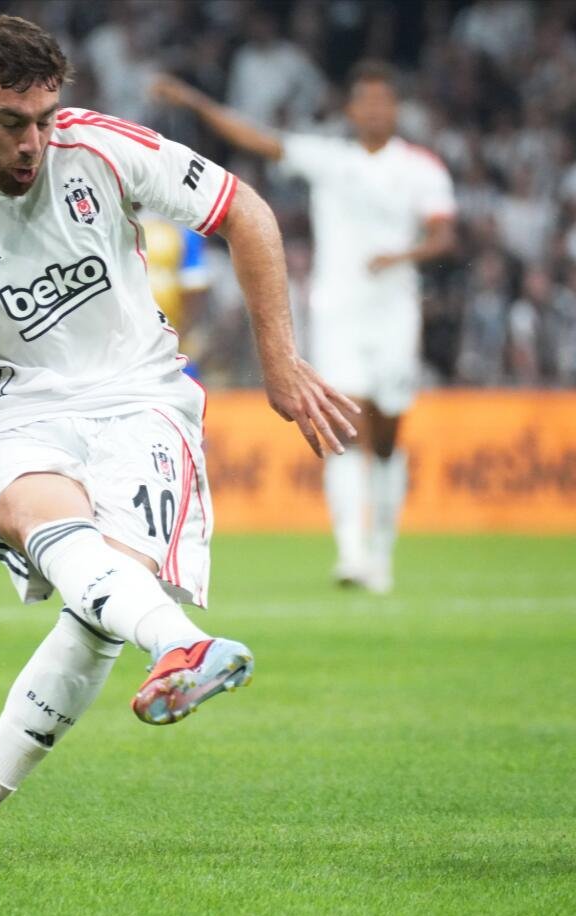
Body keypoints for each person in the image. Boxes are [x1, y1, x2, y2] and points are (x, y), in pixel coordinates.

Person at [0, 15, 356, 873]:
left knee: (100, 611)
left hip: (141, 397)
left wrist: (280, 362)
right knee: (45, 526)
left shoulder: (100, 148)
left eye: (44, 119)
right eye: (10, 122)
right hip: (18, 406)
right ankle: (179, 643)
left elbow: (245, 213)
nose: (32, 143)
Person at [153, 60, 456, 593]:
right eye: (364, 101)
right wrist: (193, 101)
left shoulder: (422, 168)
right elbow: (258, 139)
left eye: (382, 102)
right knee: (344, 426)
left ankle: (381, 551)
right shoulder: (331, 159)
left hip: (394, 312)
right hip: (339, 313)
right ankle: (352, 554)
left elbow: (443, 236)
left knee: (387, 434)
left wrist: (401, 255)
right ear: (351, 110)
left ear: (395, 109)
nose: (373, 110)